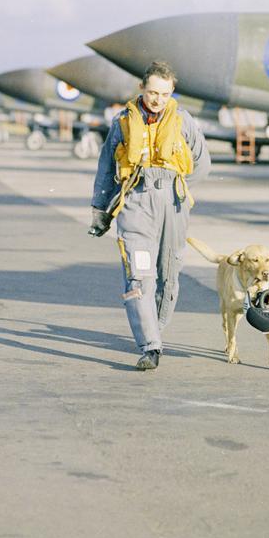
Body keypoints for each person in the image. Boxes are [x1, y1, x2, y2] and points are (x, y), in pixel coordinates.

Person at [89, 61, 211, 370]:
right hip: (136, 202)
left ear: (172, 92)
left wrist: (181, 190)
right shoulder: (122, 122)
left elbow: (202, 163)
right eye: (152, 92)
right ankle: (150, 346)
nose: (157, 99)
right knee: (139, 275)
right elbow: (106, 167)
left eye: (164, 94)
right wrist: (99, 210)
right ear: (142, 88)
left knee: (169, 275)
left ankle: (155, 330)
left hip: (173, 202)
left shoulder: (184, 122)